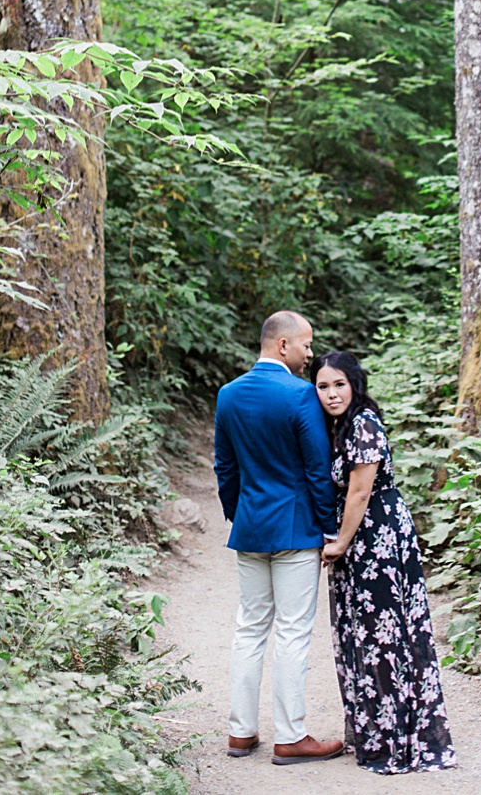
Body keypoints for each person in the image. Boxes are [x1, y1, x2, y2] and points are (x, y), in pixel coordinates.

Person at [311, 350, 457, 775]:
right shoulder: (338, 425)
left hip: (378, 539)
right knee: (359, 635)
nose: (332, 393)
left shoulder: (364, 423)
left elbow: (359, 492)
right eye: (323, 386)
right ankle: (374, 729)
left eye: (339, 384)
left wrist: (339, 543)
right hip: (360, 540)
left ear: (355, 383)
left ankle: (396, 739)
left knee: (384, 636)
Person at [214, 310, 344, 766]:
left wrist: (240, 514)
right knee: (292, 632)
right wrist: (330, 530)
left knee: (249, 629)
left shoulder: (228, 395)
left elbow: (225, 469)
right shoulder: (300, 395)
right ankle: (290, 736)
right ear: (283, 345)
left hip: (250, 528)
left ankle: (240, 732)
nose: (311, 354)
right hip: (295, 530)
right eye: (306, 345)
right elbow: (316, 469)